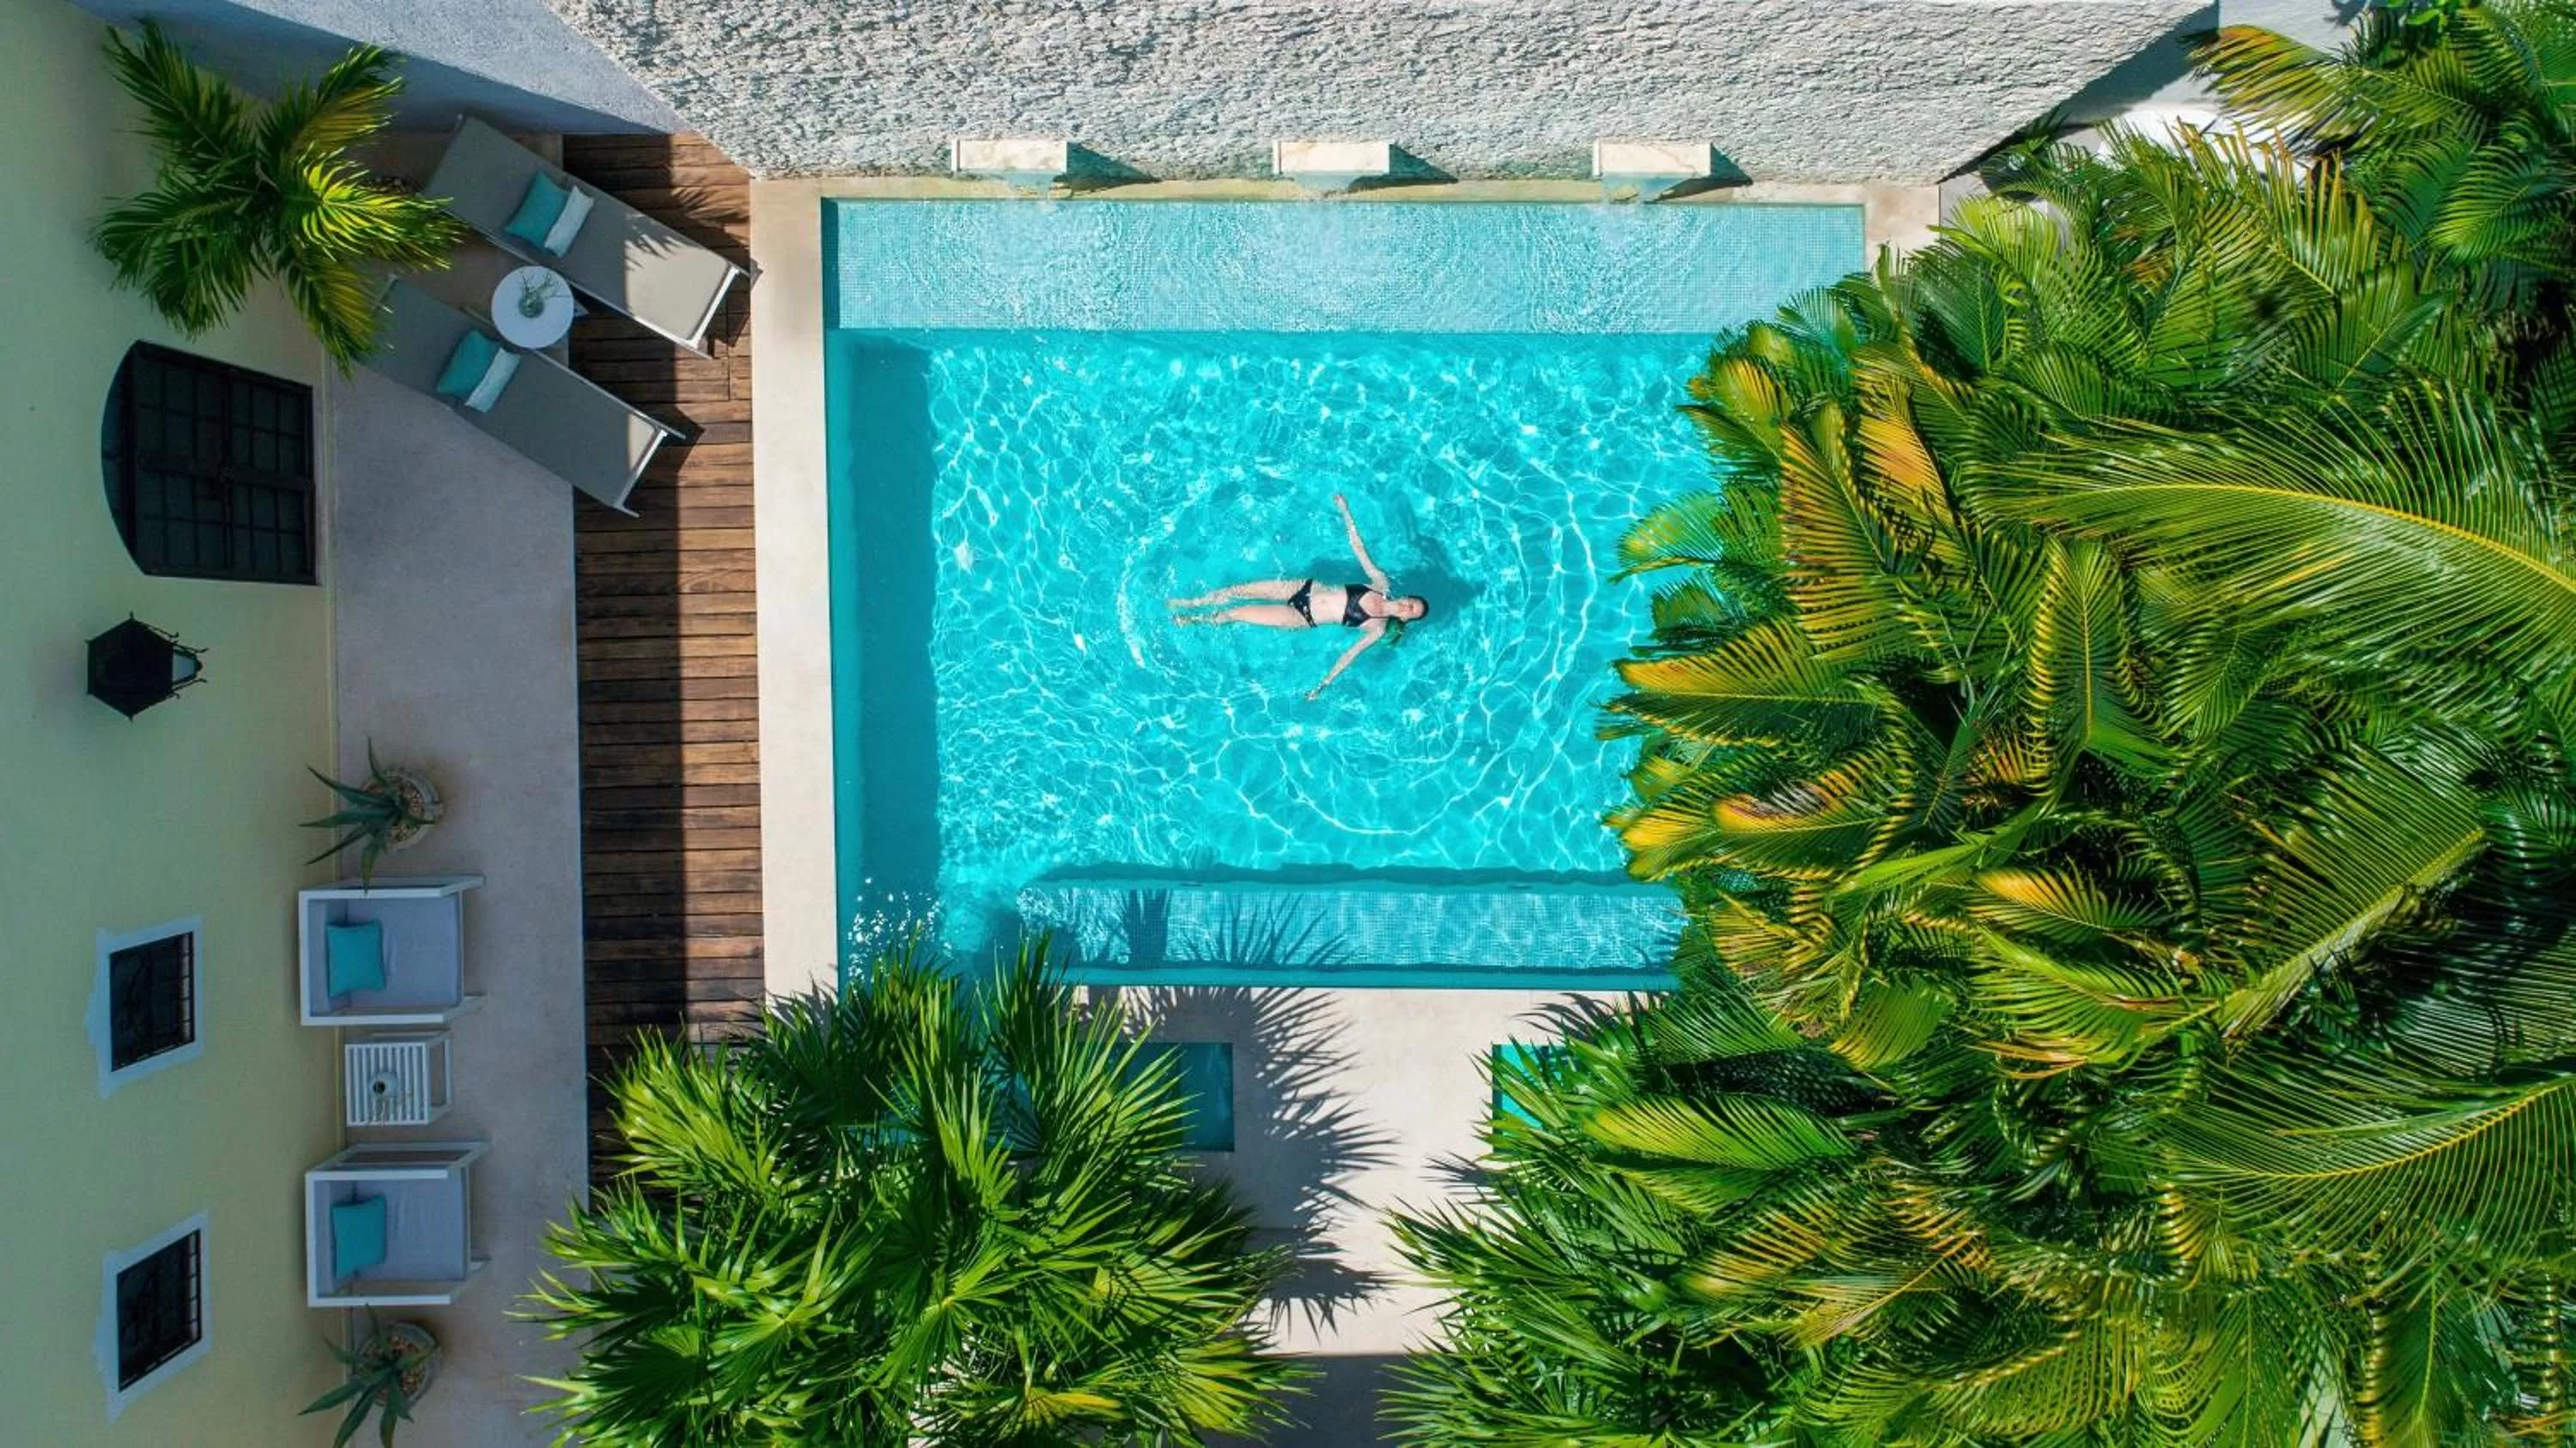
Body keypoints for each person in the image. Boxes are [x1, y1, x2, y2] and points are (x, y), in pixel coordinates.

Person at [1170, 493, 1431, 700]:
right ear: (1407, 596)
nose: (1408, 607)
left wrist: (1323, 685)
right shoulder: (1380, 582)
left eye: (1411, 612)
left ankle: (1193, 620)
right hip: (1302, 588)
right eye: (1412, 602)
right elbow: (1359, 549)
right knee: (1238, 590)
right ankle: (1190, 603)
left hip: (1300, 616)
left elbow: (1349, 656)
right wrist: (1345, 511)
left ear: (1405, 619)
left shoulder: (1376, 628)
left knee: (1236, 613)